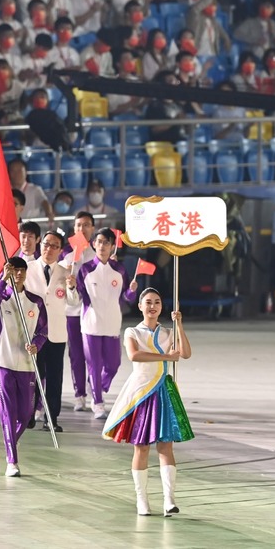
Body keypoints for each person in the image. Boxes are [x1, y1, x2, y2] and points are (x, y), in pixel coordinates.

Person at [102, 288, 193, 517]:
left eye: (157, 302)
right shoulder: (132, 332)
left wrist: (179, 324)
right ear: (140, 306)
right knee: (141, 447)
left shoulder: (168, 332)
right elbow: (134, 355)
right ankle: (141, 501)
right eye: (148, 302)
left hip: (163, 391)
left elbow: (185, 353)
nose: (153, 306)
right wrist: (166, 357)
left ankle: (169, 500)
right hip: (141, 392)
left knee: (166, 445)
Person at [0, 256, 48, 477]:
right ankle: (12, 460)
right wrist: (3, 279)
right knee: (8, 413)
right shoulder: (1, 297)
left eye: (21, 270)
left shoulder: (36, 301)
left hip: (27, 364)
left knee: (25, 414)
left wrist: (36, 345)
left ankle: (11, 440)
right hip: (4, 361)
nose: (18, 273)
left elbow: (43, 331)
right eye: (14, 270)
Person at [76, 227, 138, 419]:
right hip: (91, 325)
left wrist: (132, 291)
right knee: (94, 365)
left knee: (113, 364)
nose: (102, 246)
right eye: (99, 242)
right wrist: (70, 287)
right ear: (94, 244)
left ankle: (98, 386)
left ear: (112, 246)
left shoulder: (119, 269)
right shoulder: (86, 269)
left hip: (112, 324)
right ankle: (98, 404)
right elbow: (77, 296)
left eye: (106, 243)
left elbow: (127, 298)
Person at [25, 230, 75, 431]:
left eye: (54, 246)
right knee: (33, 377)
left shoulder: (65, 273)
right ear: (40, 245)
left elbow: (74, 302)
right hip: (34, 333)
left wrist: (72, 287)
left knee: (55, 378)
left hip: (56, 334)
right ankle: (28, 414)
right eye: (46, 244)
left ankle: (51, 418)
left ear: (60, 250)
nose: (49, 249)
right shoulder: (28, 269)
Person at [63, 211, 95, 412]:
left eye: (86, 225)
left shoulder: (98, 254)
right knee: (76, 354)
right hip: (72, 313)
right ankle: (79, 394)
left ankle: (94, 389)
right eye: (78, 225)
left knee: (92, 354)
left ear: (92, 228)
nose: (82, 229)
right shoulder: (66, 255)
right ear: (74, 229)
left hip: (92, 313)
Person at [8, 158, 53, 224]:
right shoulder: (4, 190)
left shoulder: (35, 190)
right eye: (13, 171)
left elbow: (44, 202)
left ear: (26, 172)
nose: (16, 174)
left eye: (19, 171)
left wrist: (49, 213)